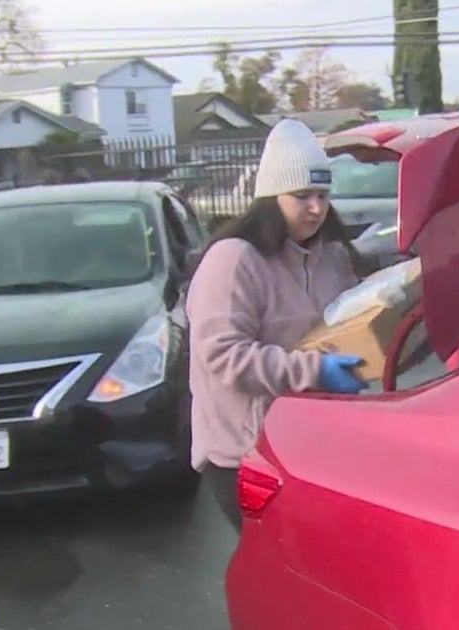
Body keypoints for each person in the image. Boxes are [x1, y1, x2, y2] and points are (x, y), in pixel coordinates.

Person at [186, 119, 368, 533]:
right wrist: (314, 372)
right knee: (278, 565)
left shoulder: (332, 257)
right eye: (302, 196)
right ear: (271, 197)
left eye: (323, 195)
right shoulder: (233, 260)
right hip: (244, 455)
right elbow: (224, 356)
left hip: (311, 448)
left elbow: (355, 326)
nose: (316, 209)